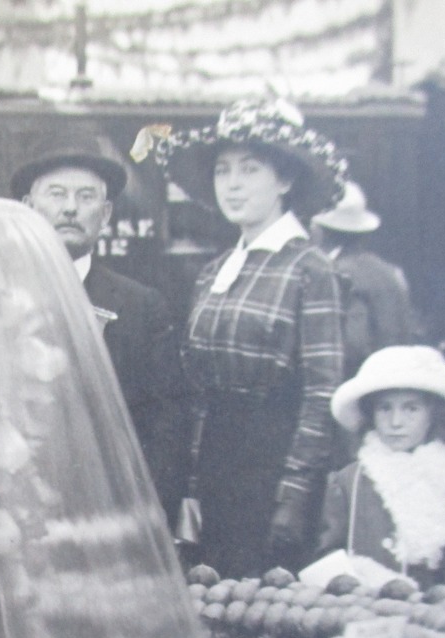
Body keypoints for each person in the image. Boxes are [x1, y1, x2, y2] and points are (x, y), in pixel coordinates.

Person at [155, 98, 348, 576]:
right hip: (217, 469)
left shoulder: (310, 269)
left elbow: (323, 391)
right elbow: (198, 388)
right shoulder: (213, 271)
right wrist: (193, 486)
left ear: (284, 181)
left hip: (274, 467)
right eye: (223, 171)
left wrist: (297, 494)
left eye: (250, 169)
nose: (233, 184)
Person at [12, 140, 185, 520]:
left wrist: (145, 515)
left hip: (112, 512)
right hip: (17, 512)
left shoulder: (142, 307)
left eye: (86, 197)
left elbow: (166, 427)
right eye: (56, 195)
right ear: (27, 208)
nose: (70, 208)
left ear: (106, 214)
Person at [315, 346, 445, 591]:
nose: (396, 422)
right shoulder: (348, 482)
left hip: (443, 616)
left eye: (411, 408)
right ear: (370, 414)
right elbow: (328, 558)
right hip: (373, 617)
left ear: (432, 414)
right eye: (385, 408)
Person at [312, 181, 420, 382]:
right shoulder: (390, 272)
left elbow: (354, 347)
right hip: (395, 381)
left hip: (361, 386)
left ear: (321, 230)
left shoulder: (337, 274)